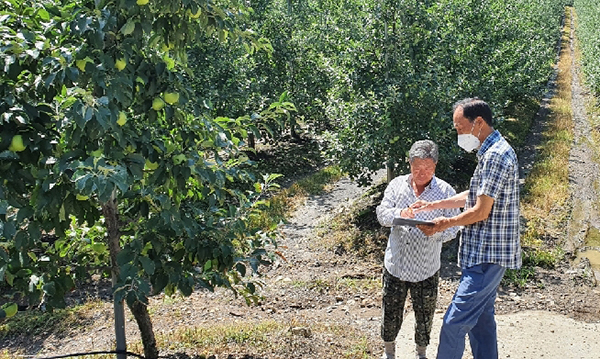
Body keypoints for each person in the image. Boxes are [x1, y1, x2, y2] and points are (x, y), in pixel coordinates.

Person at [414, 98, 521, 359]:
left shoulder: (495, 156)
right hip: (483, 255)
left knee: (453, 324)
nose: (459, 134)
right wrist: (432, 205)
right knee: (482, 323)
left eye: (460, 128)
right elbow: (474, 195)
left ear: (479, 123)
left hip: (487, 256)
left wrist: (445, 223)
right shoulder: (492, 151)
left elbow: (481, 210)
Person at [376, 140, 460, 359]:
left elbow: (456, 226)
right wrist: (402, 214)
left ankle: (421, 353)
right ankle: (389, 352)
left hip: (427, 267)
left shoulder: (445, 191)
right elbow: (382, 215)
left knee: (424, 315)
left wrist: (437, 231)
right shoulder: (396, 185)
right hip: (397, 265)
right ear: (409, 165)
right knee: (391, 313)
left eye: (428, 169)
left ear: (436, 166)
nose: (422, 173)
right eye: (417, 168)